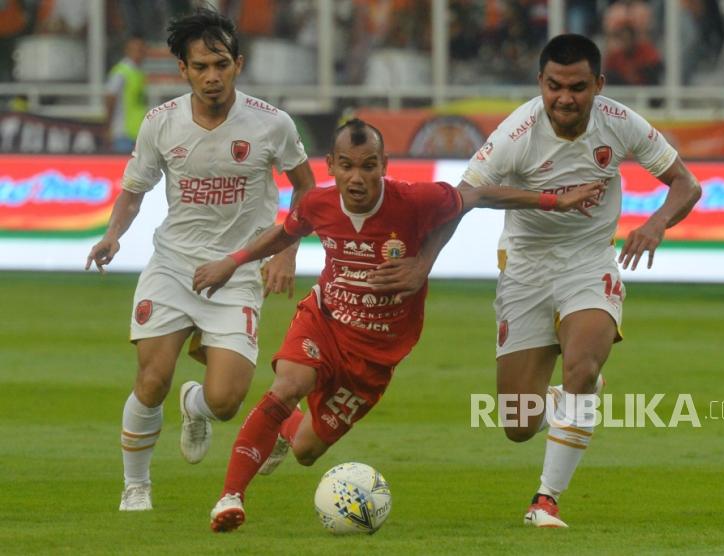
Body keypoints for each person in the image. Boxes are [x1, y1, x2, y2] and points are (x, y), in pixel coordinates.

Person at [191, 118, 605, 532]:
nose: (357, 177)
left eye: (368, 165)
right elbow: (283, 233)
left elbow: (476, 195)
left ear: (384, 164)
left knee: (305, 450)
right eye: (347, 166)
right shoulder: (318, 203)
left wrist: (554, 201)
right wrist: (232, 262)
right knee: (287, 386)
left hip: (374, 354)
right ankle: (231, 497)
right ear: (331, 165)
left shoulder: (415, 199)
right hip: (324, 322)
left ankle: (286, 427)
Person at [368, 34, 702, 528]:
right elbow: (466, 196)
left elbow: (686, 183)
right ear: (540, 83)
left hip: (589, 261)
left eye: (577, 87)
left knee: (581, 370)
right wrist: (423, 262)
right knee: (518, 424)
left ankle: (545, 499)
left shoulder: (619, 122)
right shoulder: (516, 133)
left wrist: (655, 223)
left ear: (598, 85)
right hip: (525, 267)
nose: (564, 98)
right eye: (554, 86)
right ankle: (566, 400)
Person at [85, 8, 316, 512]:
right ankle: (136, 486)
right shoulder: (160, 124)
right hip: (173, 266)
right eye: (200, 67)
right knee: (150, 379)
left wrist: (288, 250)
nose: (212, 77)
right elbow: (133, 191)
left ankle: (195, 404)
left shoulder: (271, 124)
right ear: (182, 71)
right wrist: (112, 235)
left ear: (238, 63)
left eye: (221, 64)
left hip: (237, 271)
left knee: (226, 401)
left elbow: (305, 190)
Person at [105, 35, 148, 153]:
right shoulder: (121, 72)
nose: (139, 53)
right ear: (127, 51)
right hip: (123, 132)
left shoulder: (138, 72)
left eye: (141, 50)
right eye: (135, 50)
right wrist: (109, 126)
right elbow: (110, 98)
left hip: (137, 132)